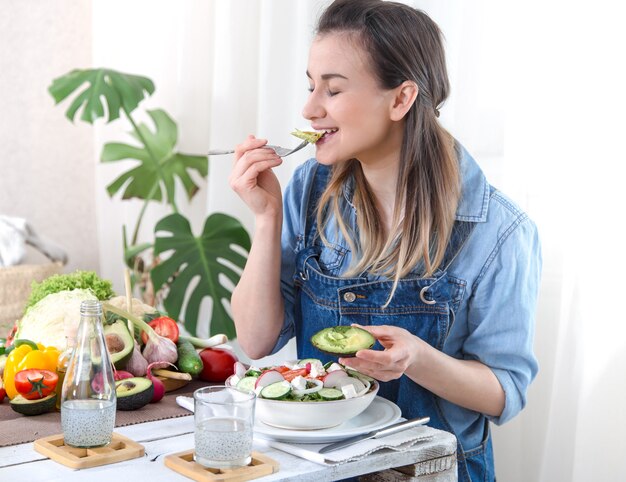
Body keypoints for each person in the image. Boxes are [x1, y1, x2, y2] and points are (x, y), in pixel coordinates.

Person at [229, 0, 541, 480]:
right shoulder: (308, 189)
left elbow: (504, 391)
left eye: (332, 90)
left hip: (431, 471)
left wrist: (418, 358)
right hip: (321, 467)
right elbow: (256, 338)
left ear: (400, 99)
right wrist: (266, 219)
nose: (309, 109)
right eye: (311, 86)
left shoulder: (497, 230)